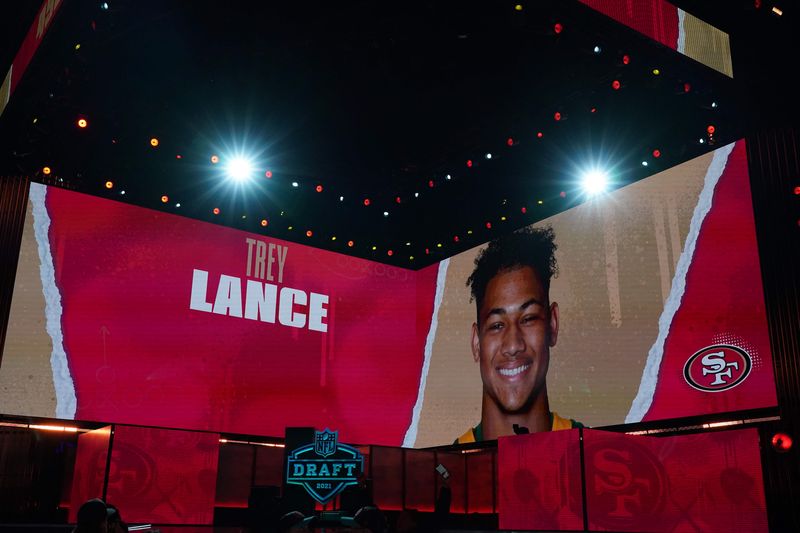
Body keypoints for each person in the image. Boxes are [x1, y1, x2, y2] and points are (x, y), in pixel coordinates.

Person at [456, 226, 582, 443]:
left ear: (552, 324)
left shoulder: (592, 454)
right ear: (476, 342)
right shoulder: (445, 469)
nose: (513, 345)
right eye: (496, 325)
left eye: (528, 318)